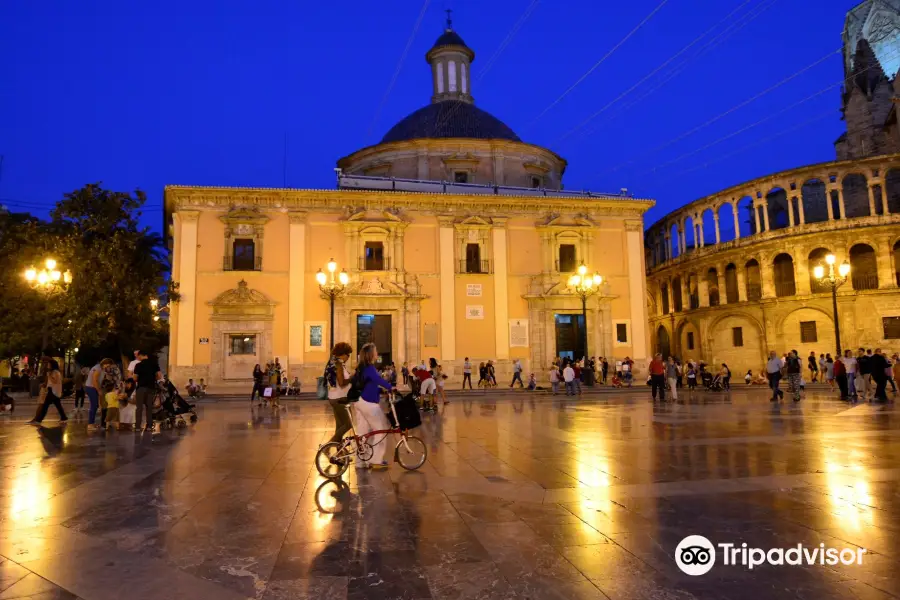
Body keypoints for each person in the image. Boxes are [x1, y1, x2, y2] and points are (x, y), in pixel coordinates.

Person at [353, 343, 393, 470]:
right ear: (371, 354)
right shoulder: (370, 368)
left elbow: (370, 384)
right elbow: (378, 380)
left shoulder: (362, 367)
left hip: (360, 401)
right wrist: (391, 387)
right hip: (368, 403)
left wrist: (380, 391)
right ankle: (376, 460)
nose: (377, 353)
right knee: (381, 429)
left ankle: (360, 461)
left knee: (363, 432)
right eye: (375, 351)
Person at [324, 342, 354, 444]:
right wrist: (351, 378)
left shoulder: (332, 362)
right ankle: (328, 445)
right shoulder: (338, 364)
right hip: (339, 398)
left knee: (340, 425)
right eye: (348, 354)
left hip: (334, 397)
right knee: (348, 424)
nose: (349, 357)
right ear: (343, 353)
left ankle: (338, 451)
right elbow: (341, 383)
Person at [28, 359, 67, 425]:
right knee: (58, 405)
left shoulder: (56, 372)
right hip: (52, 391)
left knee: (45, 406)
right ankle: (64, 418)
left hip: (53, 391)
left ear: (52, 365)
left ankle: (38, 420)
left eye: (49, 364)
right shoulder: (52, 372)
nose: (48, 365)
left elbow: (55, 381)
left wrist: (49, 375)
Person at [133, 350, 161, 433]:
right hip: (151, 388)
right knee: (149, 408)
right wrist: (152, 379)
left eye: (138, 356)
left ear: (141, 355)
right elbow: (159, 376)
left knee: (139, 408)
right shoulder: (154, 364)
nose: (137, 358)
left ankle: (138, 427)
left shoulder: (138, 365)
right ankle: (149, 426)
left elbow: (135, 378)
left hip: (141, 388)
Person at [85, 360, 103, 429]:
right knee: (94, 405)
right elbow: (94, 380)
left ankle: (92, 423)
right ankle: (90, 424)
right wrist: (98, 390)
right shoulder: (98, 368)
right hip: (91, 388)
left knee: (95, 405)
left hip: (91, 388)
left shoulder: (98, 367)